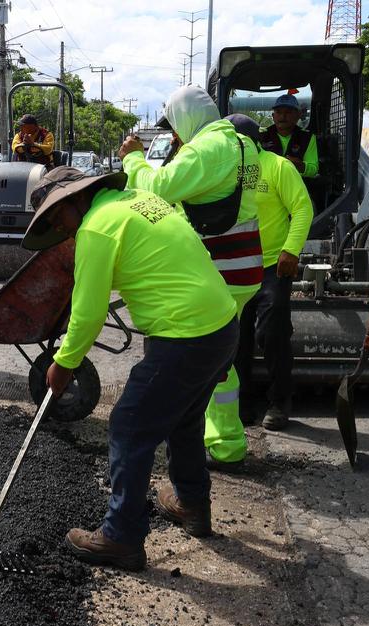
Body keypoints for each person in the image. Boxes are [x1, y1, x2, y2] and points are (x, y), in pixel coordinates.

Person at [24, 167, 239, 571]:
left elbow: (88, 314)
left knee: (128, 426)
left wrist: (63, 363)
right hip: (221, 326)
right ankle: (192, 504)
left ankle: (121, 537)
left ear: (76, 198)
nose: (60, 228)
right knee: (185, 419)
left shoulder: (97, 227)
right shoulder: (142, 201)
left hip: (185, 335)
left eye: (57, 216)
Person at [118, 85, 263, 470]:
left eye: (176, 125)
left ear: (187, 117)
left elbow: (158, 189)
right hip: (244, 263)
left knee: (208, 363)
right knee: (220, 359)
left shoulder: (210, 147)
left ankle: (223, 444)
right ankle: (221, 439)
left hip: (221, 268)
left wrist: (133, 158)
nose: (176, 134)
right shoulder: (242, 144)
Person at [225, 114, 314, 433]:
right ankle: (242, 402)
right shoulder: (224, 169)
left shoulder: (278, 167)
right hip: (236, 266)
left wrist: (291, 249)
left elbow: (302, 208)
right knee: (236, 337)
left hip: (273, 266)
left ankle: (279, 401)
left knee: (272, 333)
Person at [259, 94, 318, 178]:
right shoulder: (261, 136)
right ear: (273, 116)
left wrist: (300, 166)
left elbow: (314, 170)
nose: (282, 116)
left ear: (298, 115)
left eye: (288, 112)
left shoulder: (308, 137)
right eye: (278, 112)